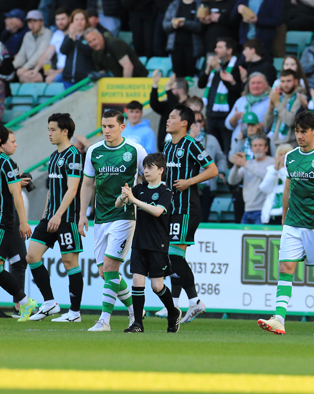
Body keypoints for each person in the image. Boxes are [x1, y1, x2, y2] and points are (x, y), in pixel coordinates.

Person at [257, 111, 314, 336]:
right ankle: (279, 319)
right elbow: (288, 187)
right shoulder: (291, 156)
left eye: (304, 132)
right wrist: (285, 216)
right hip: (294, 223)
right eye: (297, 131)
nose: (300, 135)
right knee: (285, 268)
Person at [78, 110, 146, 332]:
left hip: (125, 216)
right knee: (105, 272)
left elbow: (151, 176)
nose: (106, 131)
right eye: (103, 126)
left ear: (122, 127)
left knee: (109, 266)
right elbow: (88, 184)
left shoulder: (135, 150)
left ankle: (104, 320)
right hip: (100, 217)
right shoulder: (94, 151)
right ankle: (135, 311)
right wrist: (82, 214)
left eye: (111, 126)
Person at [159, 105, 218, 323]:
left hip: (186, 208)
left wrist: (189, 182)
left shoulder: (191, 144)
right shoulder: (167, 146)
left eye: (172, 117)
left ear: (184, 123)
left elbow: (213, 169)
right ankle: (191, 303)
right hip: (170, 210)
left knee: (174, 255)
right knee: (175, 257)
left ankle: (187, 302)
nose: (168, 120)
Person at [22, 113, 84, 322]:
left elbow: (73, 188)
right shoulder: (53, 157)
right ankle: (49, 303)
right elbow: (52, 189)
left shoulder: (73, 154)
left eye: (53, 129)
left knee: (69, 262)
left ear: (65, 131)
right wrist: (46, 214)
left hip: (65, 219)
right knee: (32, 256)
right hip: (50, 217)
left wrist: (58, 214)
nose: (49, 133)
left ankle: (74, 313)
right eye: (48, 129)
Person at [0, 121, 39, 320]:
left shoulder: (6, 163)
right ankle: (26, 302)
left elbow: (17, 194)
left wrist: (23, 222)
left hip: (1, 221)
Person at [116, 153, 181, 333]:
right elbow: (117, 205)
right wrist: (124, 196)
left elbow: (157, 212)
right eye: (144, 167)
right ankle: (137, 323)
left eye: (150, 167)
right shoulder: (139, 189)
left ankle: (173, 312)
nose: (145, 171)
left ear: (161, 170)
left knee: (156, 286)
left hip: (157, 244)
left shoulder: (165, 192)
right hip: (138, 242)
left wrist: (134, 200)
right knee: (137, 280)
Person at [198, 37, 240, 148]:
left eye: (220, 47)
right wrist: (208, 69)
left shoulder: (237, 66)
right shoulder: (214, 66)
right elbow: (200, 84)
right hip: (211, 115)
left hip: (226, 116)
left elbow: (234, 89)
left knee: (226, 148)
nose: (216, 50)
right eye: (216, 47)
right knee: (211, 149)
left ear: (229, 50)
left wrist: (218, 69)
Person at [163, 0, 202, 77]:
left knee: (190, 75)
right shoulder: (174, 4)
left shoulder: (199, 4)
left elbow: (201, 26)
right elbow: (165, 24)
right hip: (176, 45)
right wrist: (173, 25)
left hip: (192, 46)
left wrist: (185, 24)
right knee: (178, 75)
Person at [13, 10, 51, 83]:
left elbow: (40, 54)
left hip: (44, 68)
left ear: (41, 22)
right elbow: (21, 55)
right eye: (29, 22)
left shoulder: (47, 33)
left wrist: (25, 68)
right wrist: (11, 68)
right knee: (12, 75)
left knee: (26, 77)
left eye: (34, 21)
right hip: (30, 67)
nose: (31, 24)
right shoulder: (27, 35)